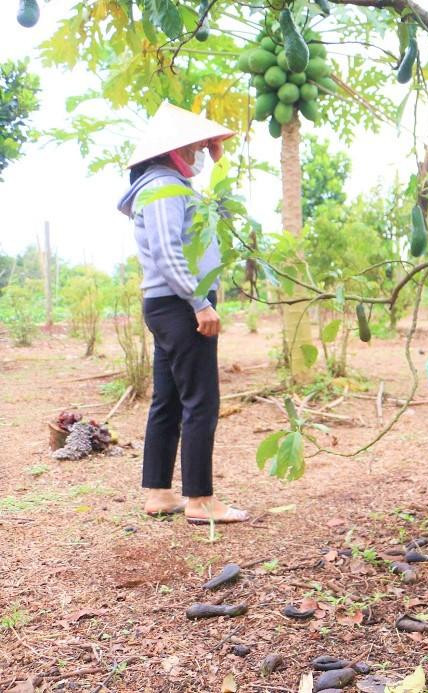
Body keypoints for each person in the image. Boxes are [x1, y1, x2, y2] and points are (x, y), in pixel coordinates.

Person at [116, 102, 247, 524]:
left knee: (169, 399)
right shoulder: (161, 188)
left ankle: (159, 493)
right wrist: (199, 302)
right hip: (177, 304)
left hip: (168, 304)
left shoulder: (167, 184)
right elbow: (170, 254)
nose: (197, 155)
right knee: (201, 400)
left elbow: (214, 214)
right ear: (171, 151)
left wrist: (215, 156)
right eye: (192, 148)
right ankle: (200, 500)